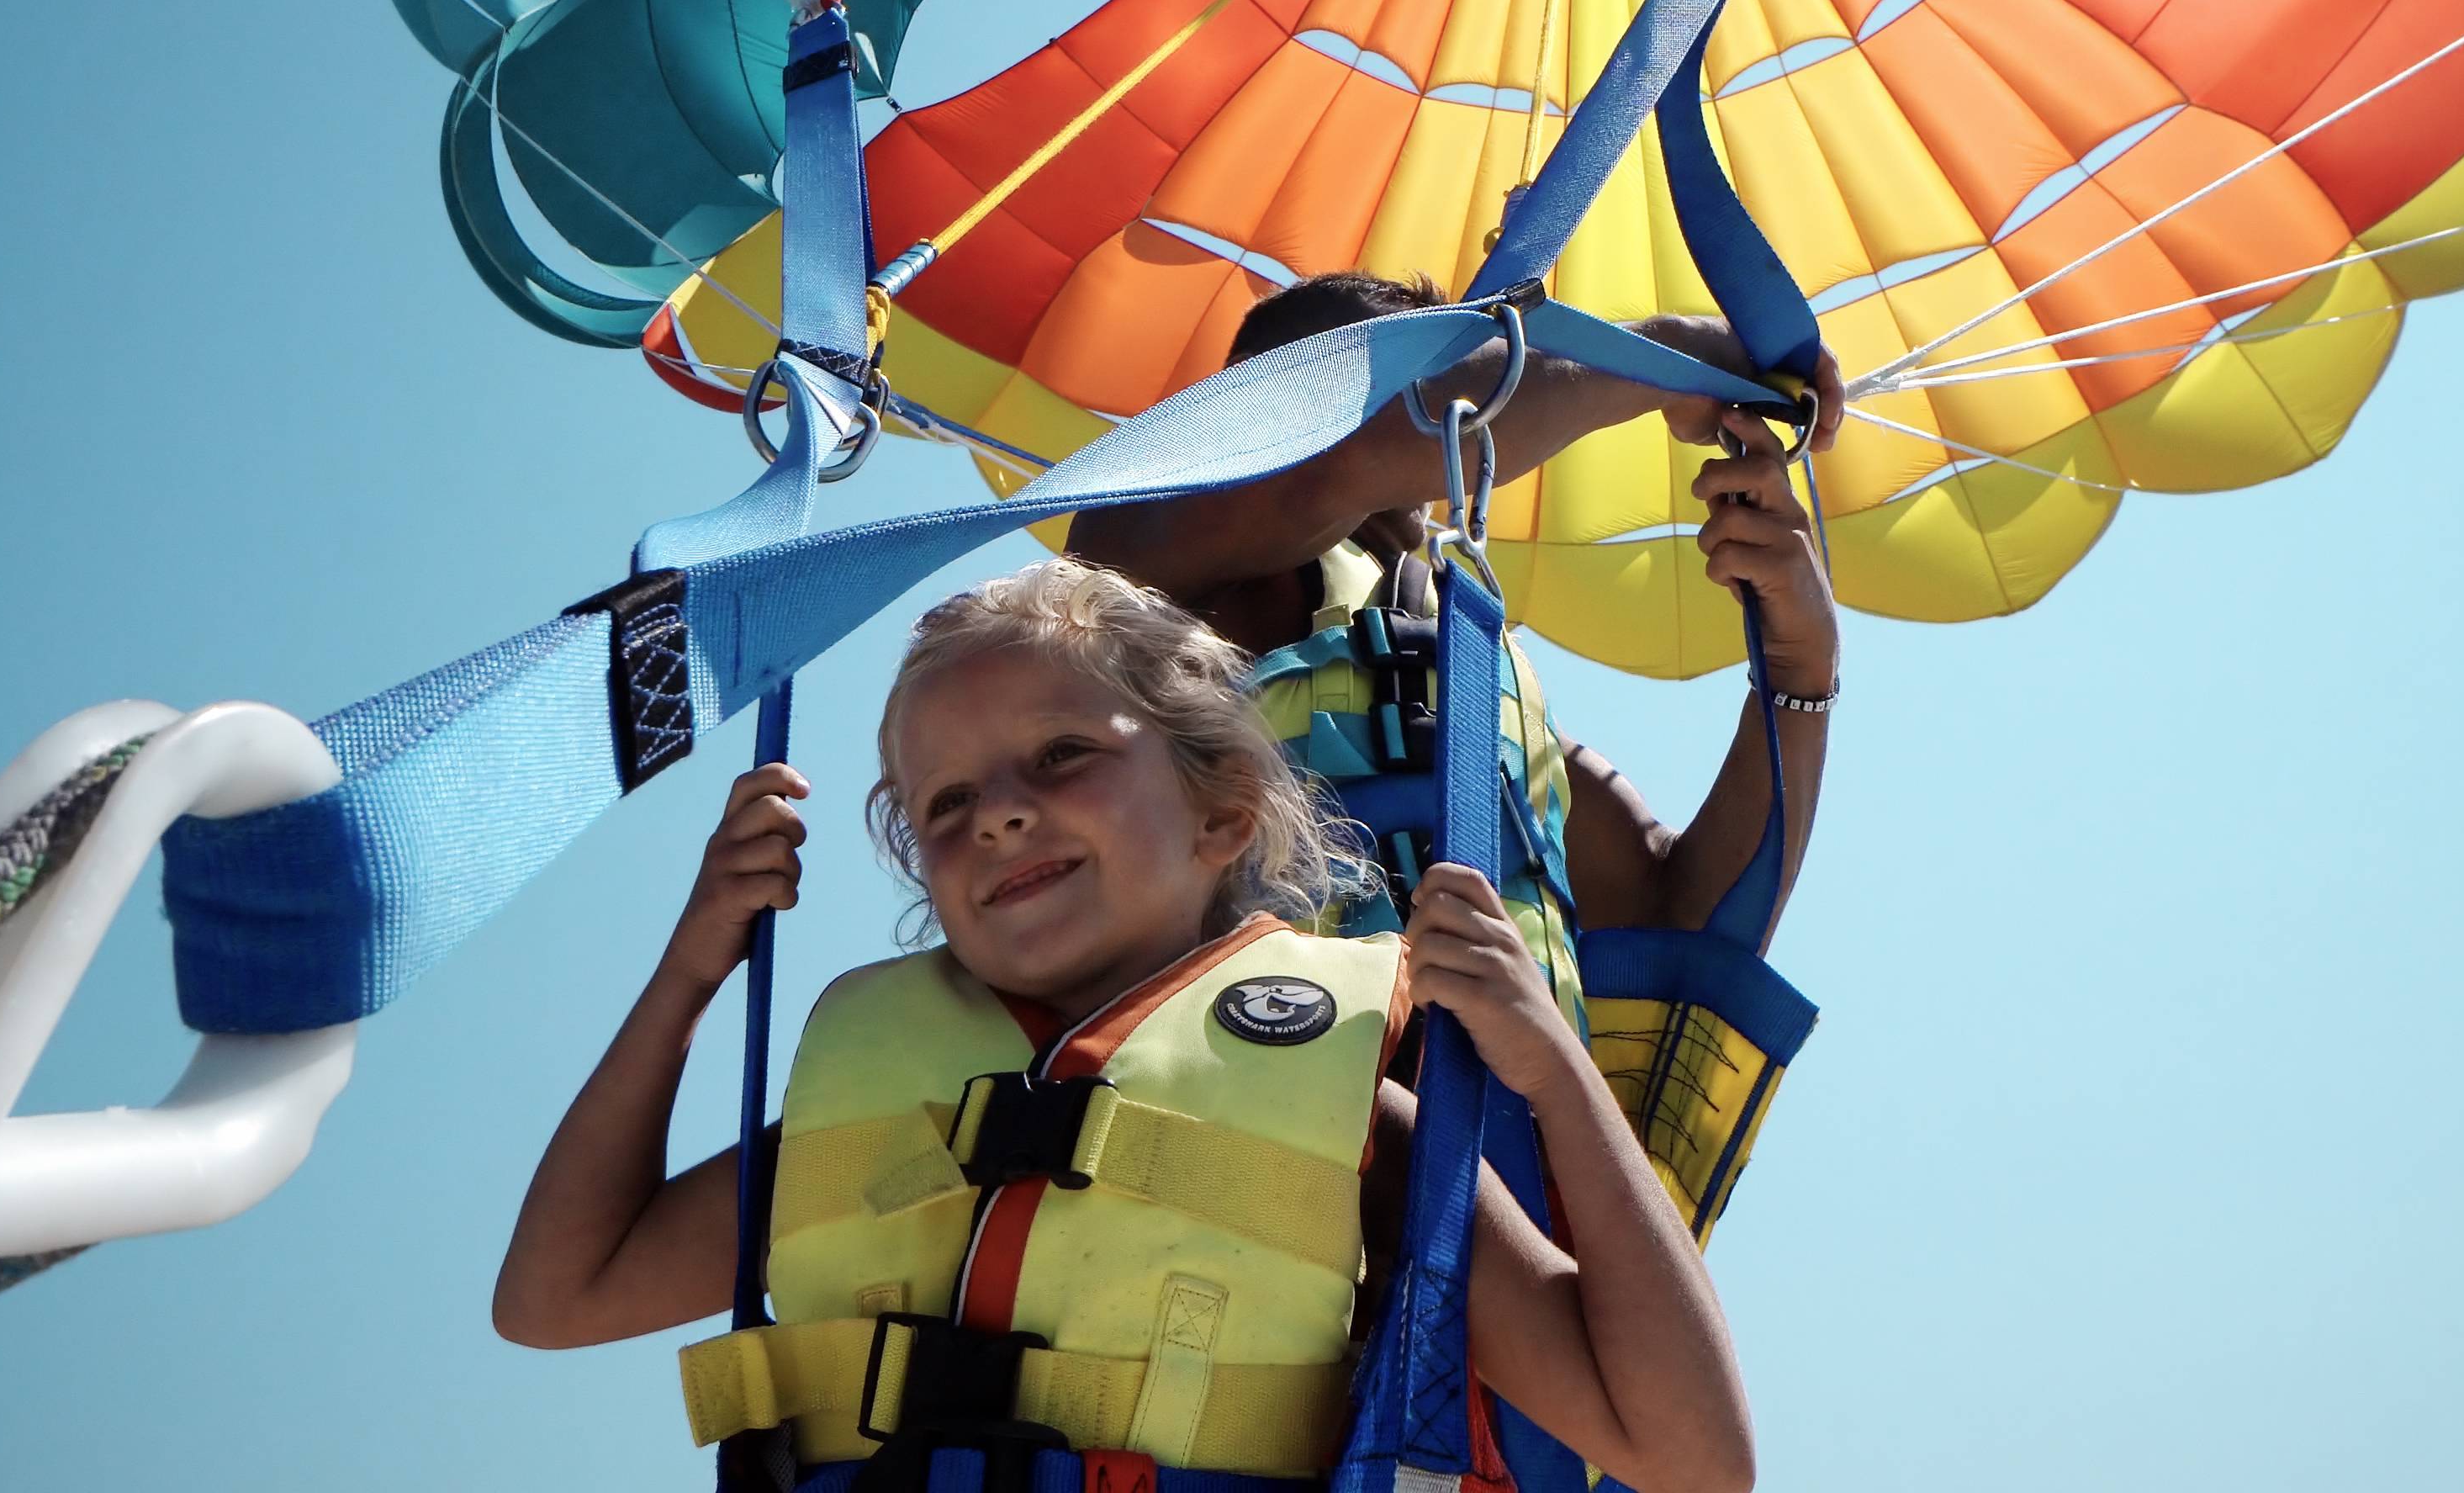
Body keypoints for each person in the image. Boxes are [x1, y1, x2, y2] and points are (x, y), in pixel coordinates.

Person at [491, 560, 1757, 1493]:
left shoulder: (1348, 1120)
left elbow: (1693, 1458)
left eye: (1058, 758)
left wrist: (1551, 1070)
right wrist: (689, 978)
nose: (999, 815)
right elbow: (555, 1295)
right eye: (946, 805)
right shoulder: (869, 1127)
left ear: (1221, 812)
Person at [1065, 273, 1845, 1007]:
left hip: (1482, 1134)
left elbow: (1680, 926)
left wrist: (1797, 667)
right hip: (1238, 1106)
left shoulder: (1459, 670)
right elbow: (1342, 460)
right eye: (1380, 382)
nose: (1426, 400)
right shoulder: (1135, 546)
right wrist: (1667, 354)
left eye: (1432, 374)